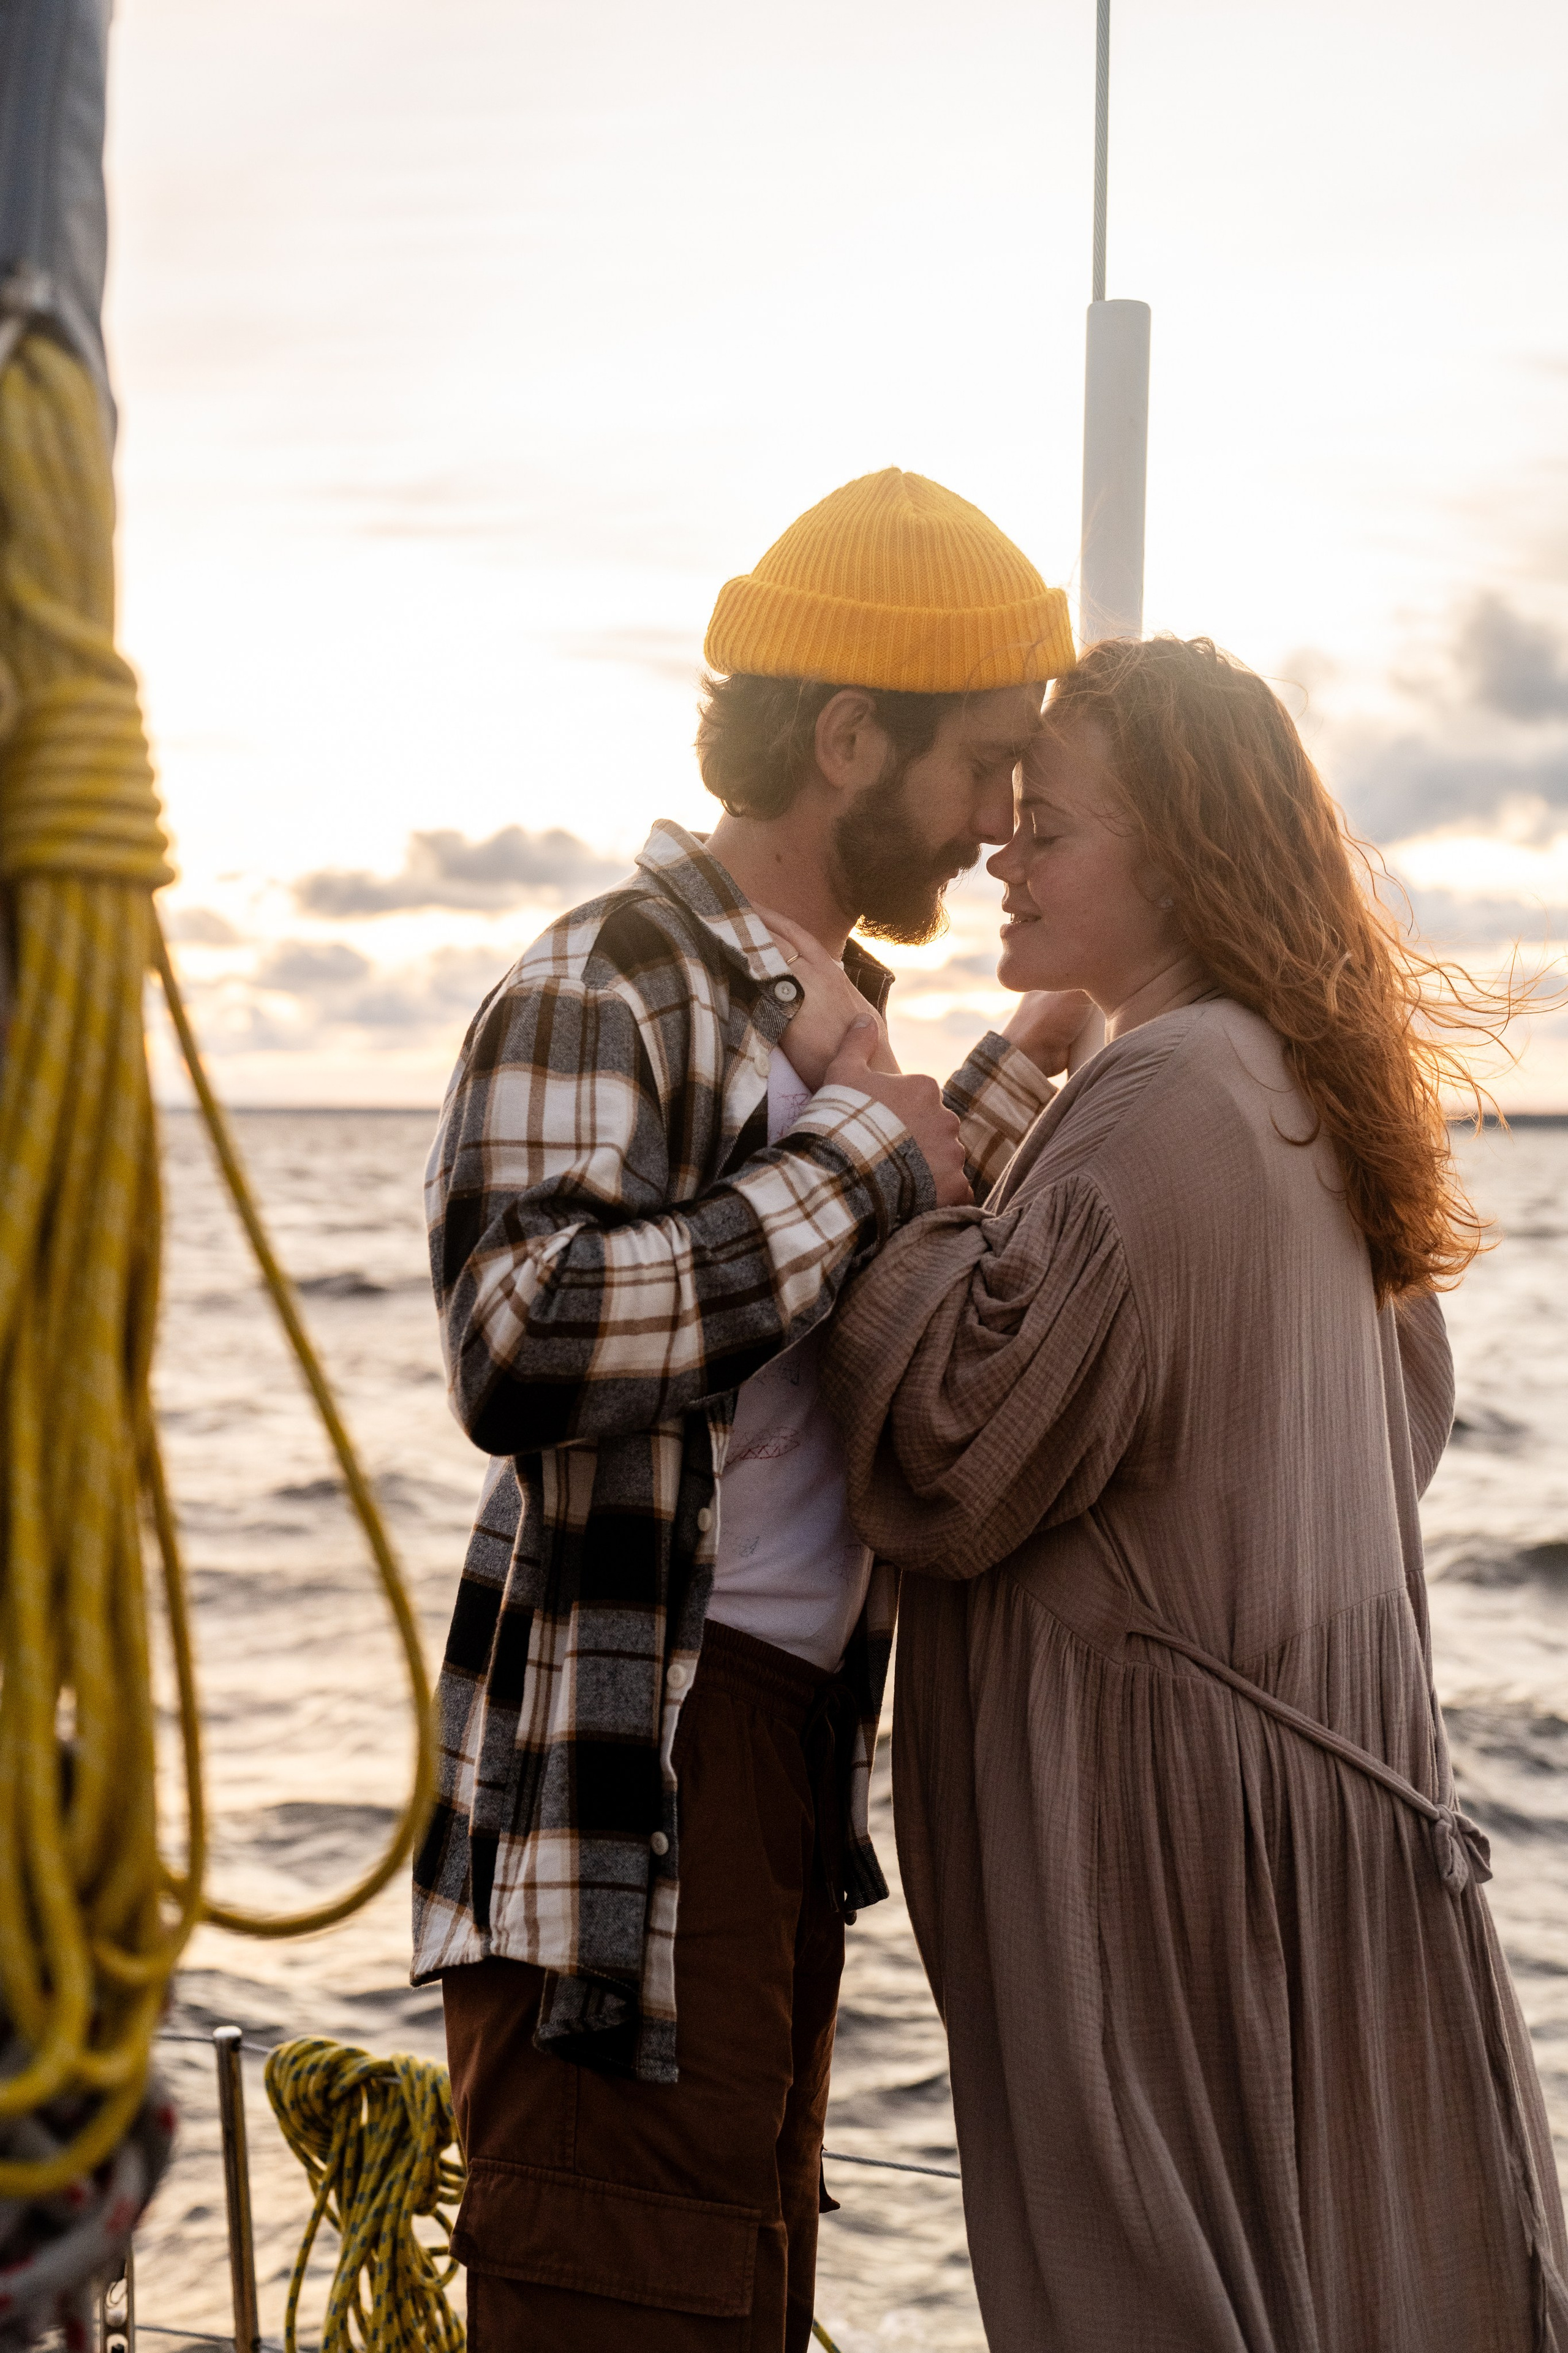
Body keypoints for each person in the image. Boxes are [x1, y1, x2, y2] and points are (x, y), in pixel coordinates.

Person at [823, 634, 1568, 2353]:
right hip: (1295, 1857)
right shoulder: (1287, 1081)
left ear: (1176, 849)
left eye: (1052, 826)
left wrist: (881, 1154)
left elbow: (953, 1434)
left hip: (1158, 1880)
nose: (1004, 851)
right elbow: (1407, 1404)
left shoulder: (1162, 1095)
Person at [412, 467, 1080, 2352]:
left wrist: (1031, 1064)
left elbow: (846, 1279)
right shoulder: (601, 976)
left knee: (739, 2297)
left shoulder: (835, 1029)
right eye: (983, 765)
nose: (1000, 822)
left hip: (784, 1764)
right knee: (633, 2299)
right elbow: (520, 1337)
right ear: (848, 737)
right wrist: (878, 1152)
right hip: (639, 1773)